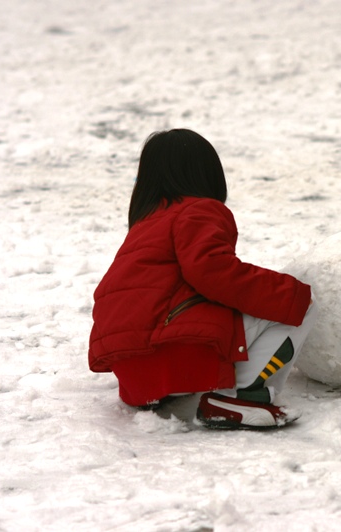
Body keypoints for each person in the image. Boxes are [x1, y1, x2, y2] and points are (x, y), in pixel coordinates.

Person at [88, 129, 317, 429]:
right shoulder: (198, 210)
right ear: (207, 172)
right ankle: (241, 396)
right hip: (172, 354)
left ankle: (185, 386)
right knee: (296, 306)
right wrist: (289, 293)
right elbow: (211, 272)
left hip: (133, 375)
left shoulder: (143, 226)